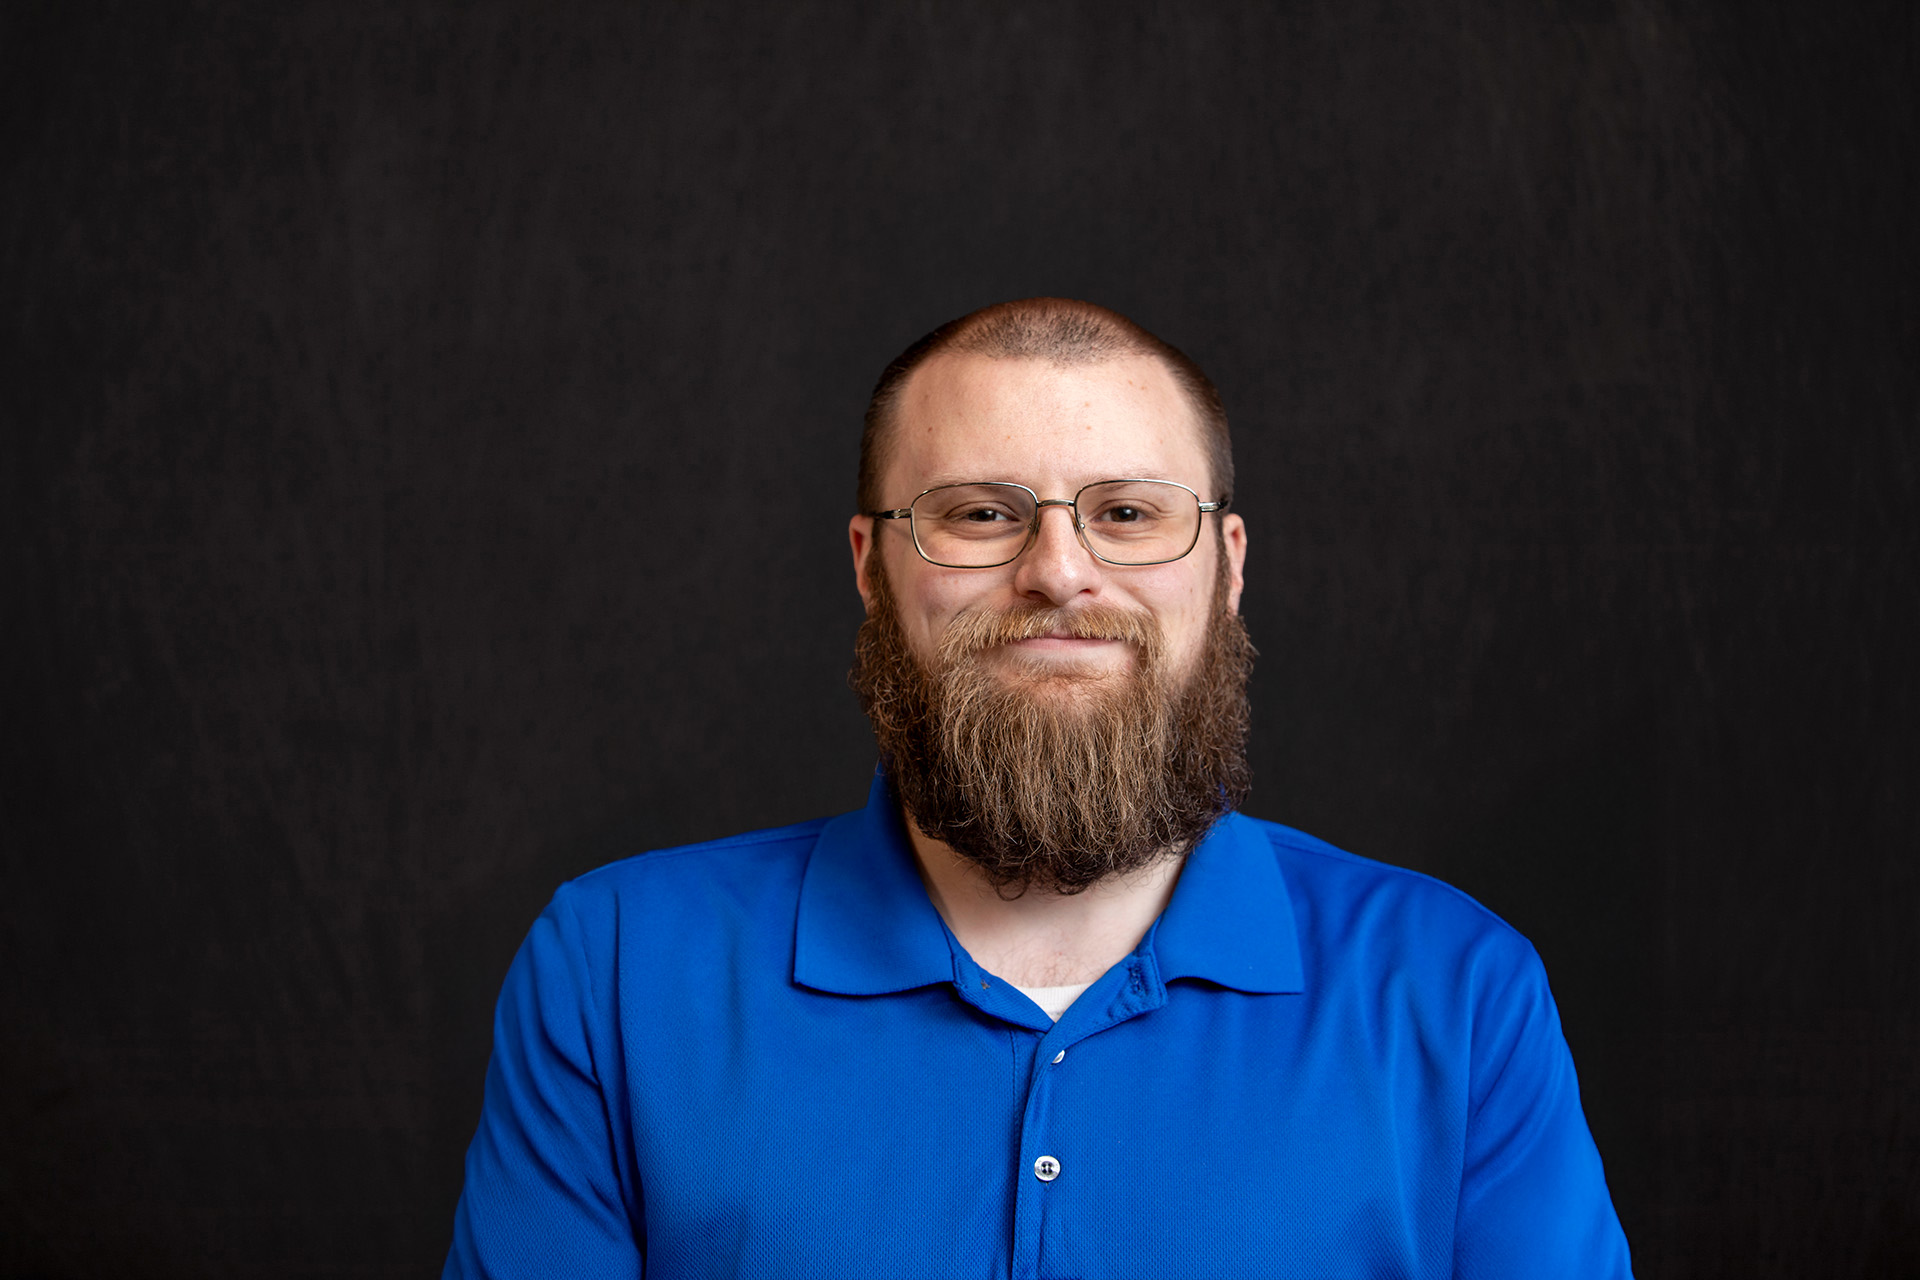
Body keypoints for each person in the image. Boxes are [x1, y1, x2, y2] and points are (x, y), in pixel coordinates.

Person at [443, 298, 1634, 1278]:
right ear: (871, 565)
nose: (1059, 571)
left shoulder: (1457, 989)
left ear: (1226, 569)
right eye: (979, 513)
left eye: (1128, 513)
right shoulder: (614, 970)